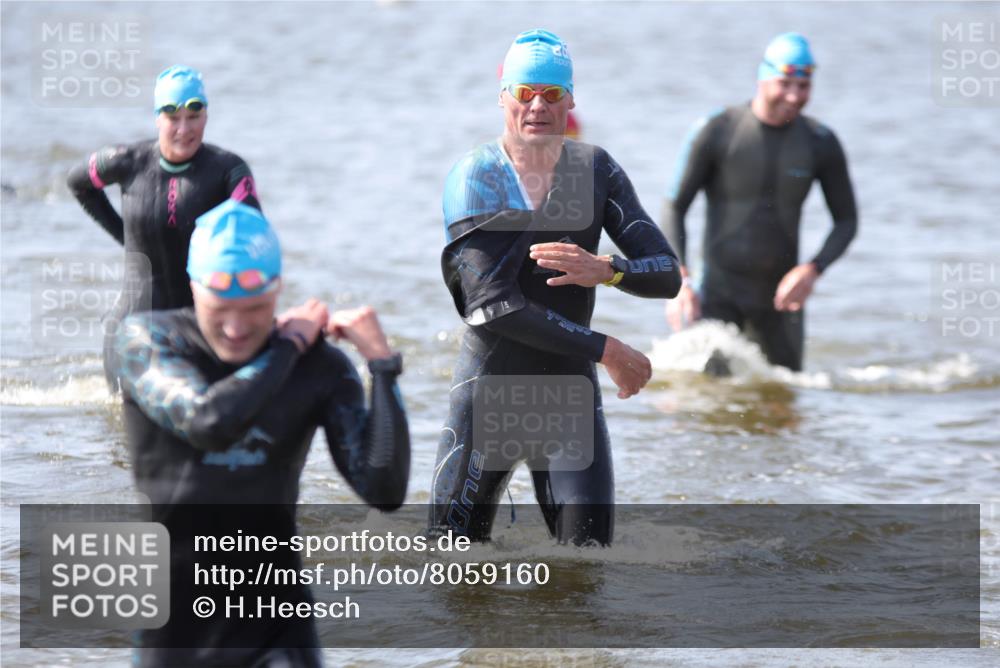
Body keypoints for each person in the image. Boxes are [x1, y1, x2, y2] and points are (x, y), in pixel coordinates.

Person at [115, 200, 410, 667]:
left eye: (254, 309)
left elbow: (384, 489)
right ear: (193, 289)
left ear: (277, 291)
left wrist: (383, 367)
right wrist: (288, 346)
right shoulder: (148, 342)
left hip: (279, 626)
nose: (236, 328)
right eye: (220, 309)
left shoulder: (317, 366)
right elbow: (208, 422)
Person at [429, 29, 681, 546]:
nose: (537, 106)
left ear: (571, 100)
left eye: (552, 93)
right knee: (451, 568)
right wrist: (607, 349)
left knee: (589, 568)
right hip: (489, 398)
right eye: (525, 93)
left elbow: (666, 274)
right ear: (503, 96)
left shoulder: (595, 170)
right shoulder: (477, 176)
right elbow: (491, 304)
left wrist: (609, 269)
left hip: (568, 402)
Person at [662, 33, 858, 371]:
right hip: (717, 296)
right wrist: (680, 280)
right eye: (785, 83)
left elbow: (847, 220)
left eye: (804, 86)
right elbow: (674, 207)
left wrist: (813, 269)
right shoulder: (718, 130)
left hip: (781, 302)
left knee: (786, 393)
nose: (794, 96)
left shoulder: (820, 142)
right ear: (762, 78)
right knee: (704, 394)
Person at [67, 65, 261, 388]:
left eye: (194, 116)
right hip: (132, 330)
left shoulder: (228, 171)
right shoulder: (125, 161)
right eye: (173, 117)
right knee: (126, 420)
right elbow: (78, 184)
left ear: (206, 116)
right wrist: (124, 236)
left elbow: (256, 239)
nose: (184, 129)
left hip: (199, 333)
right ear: (158, 118)